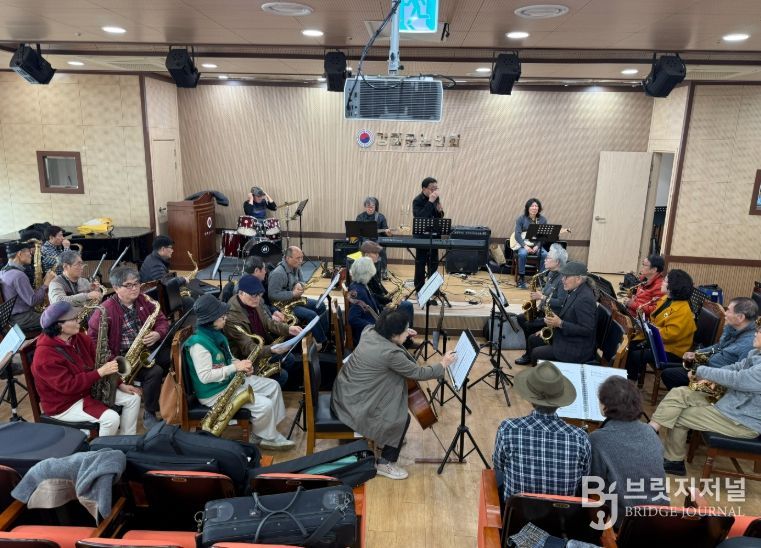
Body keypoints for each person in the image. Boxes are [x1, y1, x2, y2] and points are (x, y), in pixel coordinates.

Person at [331, 309, 454, 480]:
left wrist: (402, 333)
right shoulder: (391, 354)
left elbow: (381, 329)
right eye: (405, 330)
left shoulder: (369, 331)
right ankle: (385, 463)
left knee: (395, 399)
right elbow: (418, 373)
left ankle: (387, 439)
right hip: (355, 406)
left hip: (345, 392)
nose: (408, 332)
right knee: (401, 418)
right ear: (394, 334)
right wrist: (443, 364)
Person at [185, 294, 295, 450]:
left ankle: (263, 432)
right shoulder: (199, 345)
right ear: (211, 320)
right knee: (265, 405)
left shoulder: (216, 334)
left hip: (227, 382)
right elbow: (205, 377)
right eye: (221, 316)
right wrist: (235, 367)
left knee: (273, 386)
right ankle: (267, 437)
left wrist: (240, 364)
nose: (225, 317)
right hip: (214, 393)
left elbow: (228, 359)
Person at [650, 325, 761, 476]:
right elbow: (735, 368)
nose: (755, 333)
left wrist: (701, 371)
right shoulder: (755, 353)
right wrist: (709, 376)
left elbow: (737, 379)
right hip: (730, 403)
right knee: (680, 392)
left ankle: (673, 461)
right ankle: (650, 431)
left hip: (743, 421)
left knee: (678, 416)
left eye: (759, 332)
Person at [32, 301, 141, 436]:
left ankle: (127, 440)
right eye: (74, 319)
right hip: (65, 404)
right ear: (59, 326)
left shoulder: (79, 338)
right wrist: (99, 373)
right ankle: (102, 449)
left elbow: (99, 361)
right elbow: (68, 386)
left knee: (133, 398)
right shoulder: (44, 357)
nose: (79, 321)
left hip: (87, 391)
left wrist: (120, 384)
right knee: (111, 419)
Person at [492, 361, 590, 502]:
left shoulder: (507, 429)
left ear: (530, 398)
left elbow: (498, 466)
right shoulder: (581, 439)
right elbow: (584, 480)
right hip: (561, 515)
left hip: (516, 515)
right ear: (559, 401)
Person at [87, 266, 167, 430]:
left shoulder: (144, 300)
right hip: (121, 359)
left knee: (173, 356)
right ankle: (150, 413)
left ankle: (166, 401)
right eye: (128, 285)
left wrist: (158, 333)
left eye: (136, 284)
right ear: (116, 288)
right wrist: (113, 362)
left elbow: (162, 320)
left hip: (144, 350)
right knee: (155, 372)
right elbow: (93, 341)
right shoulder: (105, 310)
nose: (134, 288)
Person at [589, 376, 668, 526]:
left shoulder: (598, 439)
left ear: (605, 406)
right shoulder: (650, 432)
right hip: (659, 519)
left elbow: (593, 486)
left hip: (623, 523)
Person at [224, 275, 302, 388]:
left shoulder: (256, 302)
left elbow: (268, 322)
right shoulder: (231, 317)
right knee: (283, 376)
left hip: (263, 347)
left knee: (289, 359)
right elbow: (248, 348)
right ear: (241, 293)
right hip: (247, 359)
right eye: (253, 295)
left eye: (259, 295)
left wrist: (288, 329)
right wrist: (272, 350)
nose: (257, 299)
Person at [662, 298, 757, 390]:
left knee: (669, 375)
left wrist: (705, 375)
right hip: (707, 367)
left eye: (728, 310)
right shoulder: (733, 328)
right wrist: (697, 353)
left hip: (715, 379)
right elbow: (719, 346)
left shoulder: (749, 344)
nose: (725, 313)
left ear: (740, 317)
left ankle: (691, 396)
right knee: (668, 369)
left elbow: (738, 375)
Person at [625, 269, 697, 382]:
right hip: (660, 342)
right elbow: (656, 319)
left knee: (635, 354)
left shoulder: (683, 311)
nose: (662, 282)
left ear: (673, 286)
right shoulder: (666, 299)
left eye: (665, 281)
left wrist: (648, 328)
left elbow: (668, 335)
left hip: (672, 351)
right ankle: (630, 376)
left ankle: (630, 381)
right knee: (630, 345)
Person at [524, 261, 597, 366]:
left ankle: (541, 375)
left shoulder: (585, 299)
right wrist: (550, 327)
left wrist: (560, 323)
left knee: (536, 353)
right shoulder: (575, 289)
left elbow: (587, 329)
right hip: (566, 336)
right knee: (533, 339)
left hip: (576, 347)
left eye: (566, 277)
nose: (562, 280)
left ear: (578, 279)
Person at [515, 243, 568, 364]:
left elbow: (561, 302)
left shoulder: (562, 279)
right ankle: (531, 347)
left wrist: (542, 297)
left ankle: (530, 353)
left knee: (528, 325)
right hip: (542, 310)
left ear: (557, 262)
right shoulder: (550, 273)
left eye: (548, 258)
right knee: (521, 318)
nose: (545, 260)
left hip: (551, 316)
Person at [268, 246, 329, 349]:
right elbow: (272, 295)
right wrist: (292, 294)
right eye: (298, 258)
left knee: (321, 305)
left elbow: (302, 281)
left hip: (294, 300)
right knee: (311, 315)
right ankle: (322, 342)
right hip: (283, 306)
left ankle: (322, 335)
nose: (301, 261)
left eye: (301, 257)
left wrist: (300, 284)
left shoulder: (296, 266)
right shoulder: (278, 273)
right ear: (288, 258)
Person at [0, 241, 56, 333]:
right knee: (58, 317)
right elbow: (32, 301)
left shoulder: (3, 271)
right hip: (22, 318)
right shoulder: (18, 275)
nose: (30, 254)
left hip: (10, 318)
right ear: (19, 254)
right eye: (28, 251)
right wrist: (46, 284)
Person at [139, 235, 194, 311]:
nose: (172, 250)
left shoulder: (150, 257)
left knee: (188, 292)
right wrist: (183, 280)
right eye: (171, 248)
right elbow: (166, 284)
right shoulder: (156, 266)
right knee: (189, 301)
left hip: (153, 295)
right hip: (156, 302)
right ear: (163, 249)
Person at [412, 177, 444, 293]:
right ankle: (420, 289)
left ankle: (433, 289)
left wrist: (440, 212)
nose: (434, 191)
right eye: (432, 188)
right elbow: (420, 217)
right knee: (420, 264)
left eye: (436, 188)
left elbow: (438, 218)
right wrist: (430, 202)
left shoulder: (436, 199)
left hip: (434, 237)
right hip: (421, 238)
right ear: (424, 189)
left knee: (433, 264)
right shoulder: (417, 201)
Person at [48, 250, 103, 314]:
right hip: (64, 318)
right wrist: (87, 296)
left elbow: (94, 304)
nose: (82, 267)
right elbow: (58, 301)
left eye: (82, 264)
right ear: (65, 267)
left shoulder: (84, 281)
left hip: (83, 317)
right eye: (78, 264)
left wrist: (96, 291)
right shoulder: (56, 283)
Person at [514, 198, 548, 289]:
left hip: (536, 245)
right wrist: (525, 246)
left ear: (539, 208)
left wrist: (537, 246)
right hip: (524, 244)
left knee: (545, 255)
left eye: (536, 206)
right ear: (528, 208)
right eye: (532, 206)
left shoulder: (542, 220)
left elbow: (543, 236)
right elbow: (517, 235)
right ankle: (521, 278)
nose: (534, 208)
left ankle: (540, 278)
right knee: (522, 254)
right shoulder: (521, 219)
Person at [356, 197, 391, 276]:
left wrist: (388, 233)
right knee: (364, 245)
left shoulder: (381, 217)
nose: (371, 209)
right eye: (368, 207)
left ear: (375, 207)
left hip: (377, 241)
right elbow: (357, 231)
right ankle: (363, 270)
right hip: (365, 240)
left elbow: (385, 232)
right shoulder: (360, 217)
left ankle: (383, 270)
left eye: (372, 207)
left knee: (381, 249)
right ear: (365, 207)